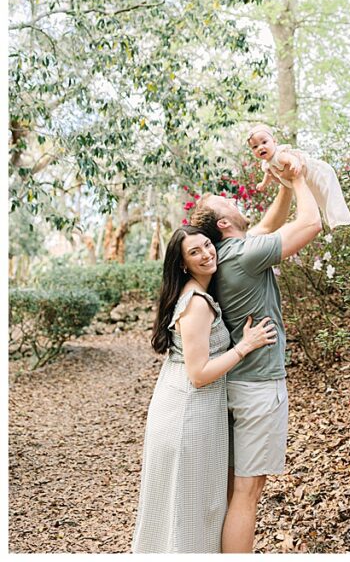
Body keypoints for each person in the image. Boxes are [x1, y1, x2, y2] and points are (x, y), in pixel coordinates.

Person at [190, 167, 322, 552]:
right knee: (248, 493)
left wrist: (281, 186)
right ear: (225, 221)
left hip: (236, 385)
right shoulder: (246, 255)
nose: (235, 201)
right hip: (259, 389)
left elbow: (269, 223)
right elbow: (310, 223)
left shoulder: (229, 255)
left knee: (235, 488)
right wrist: (298, 179)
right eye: (228, 203)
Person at [132, 226, 277, 553]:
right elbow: (198, 374)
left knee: (184, 505)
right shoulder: (196, 304)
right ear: (183, 263)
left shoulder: (194, 292)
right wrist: (245, 346)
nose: (206, 254)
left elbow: (261, 229)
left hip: (185, 406)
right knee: (188, 508)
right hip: (187, 413)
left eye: (207, 245)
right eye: (194, 252)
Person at [246, 123, 350, 229]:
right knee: (321, 199)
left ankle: (341, 220)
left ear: (274, 142)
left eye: (264, 142)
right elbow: (268, 173)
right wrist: (264, 184)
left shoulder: (278, 156)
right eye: (255, 146)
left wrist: (295, 163)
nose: (260, 147)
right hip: (307, 180)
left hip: (317, 172)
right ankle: (334, 222)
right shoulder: (266, 163)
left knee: (330, 194)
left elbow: (289, 158)